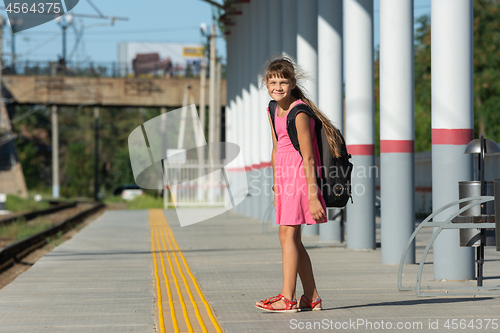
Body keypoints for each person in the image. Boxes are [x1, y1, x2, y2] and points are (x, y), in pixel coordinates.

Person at [255, 56, 344, 313]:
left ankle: (287, 297)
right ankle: (311, 297)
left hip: (300, 175)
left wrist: (314, 196)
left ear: (293, 83)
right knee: (292, 237)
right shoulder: (272, 109)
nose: (278, 87)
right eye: (273, 82)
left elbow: (309, 156)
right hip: (284, 176)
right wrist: (275, 187)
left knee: (287, 235)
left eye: (283, 82)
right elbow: (275, 148)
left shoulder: (299, 112)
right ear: (266, 84)